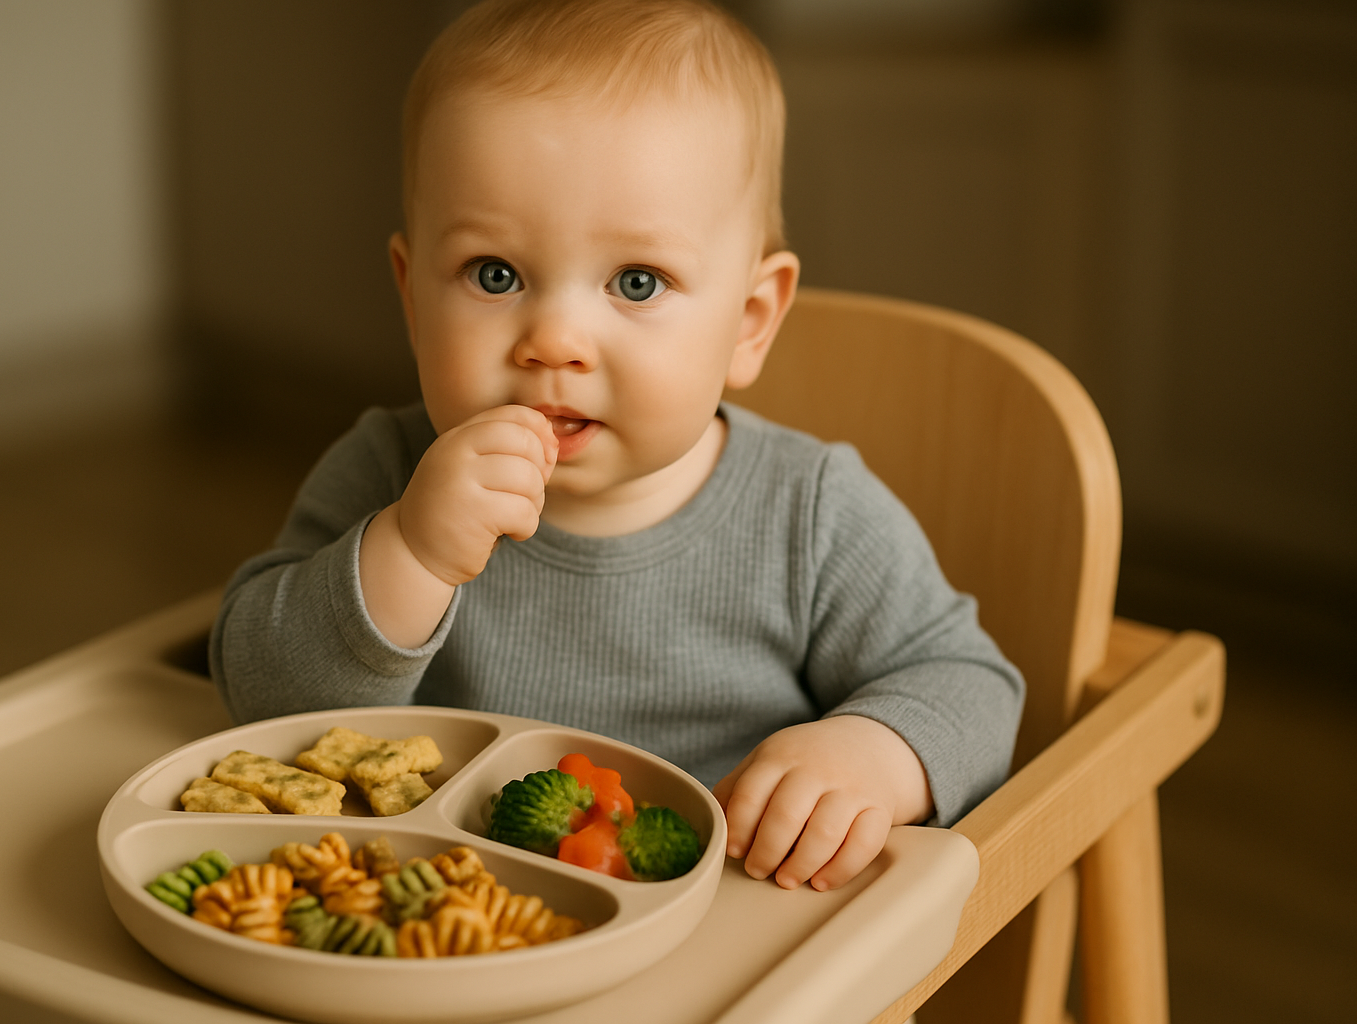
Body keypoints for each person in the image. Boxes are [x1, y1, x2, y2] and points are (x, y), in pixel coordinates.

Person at [210, 0, 1023, 892]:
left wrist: (876, 752)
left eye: (637, 281)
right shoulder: (386, 470)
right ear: (412, 299)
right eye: (495, 275)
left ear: (749, 323)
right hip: (450, 918)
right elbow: (258, 696)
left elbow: (971, 683)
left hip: (724, 930)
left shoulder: (811, 512)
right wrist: (407, 550)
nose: (553, 338)